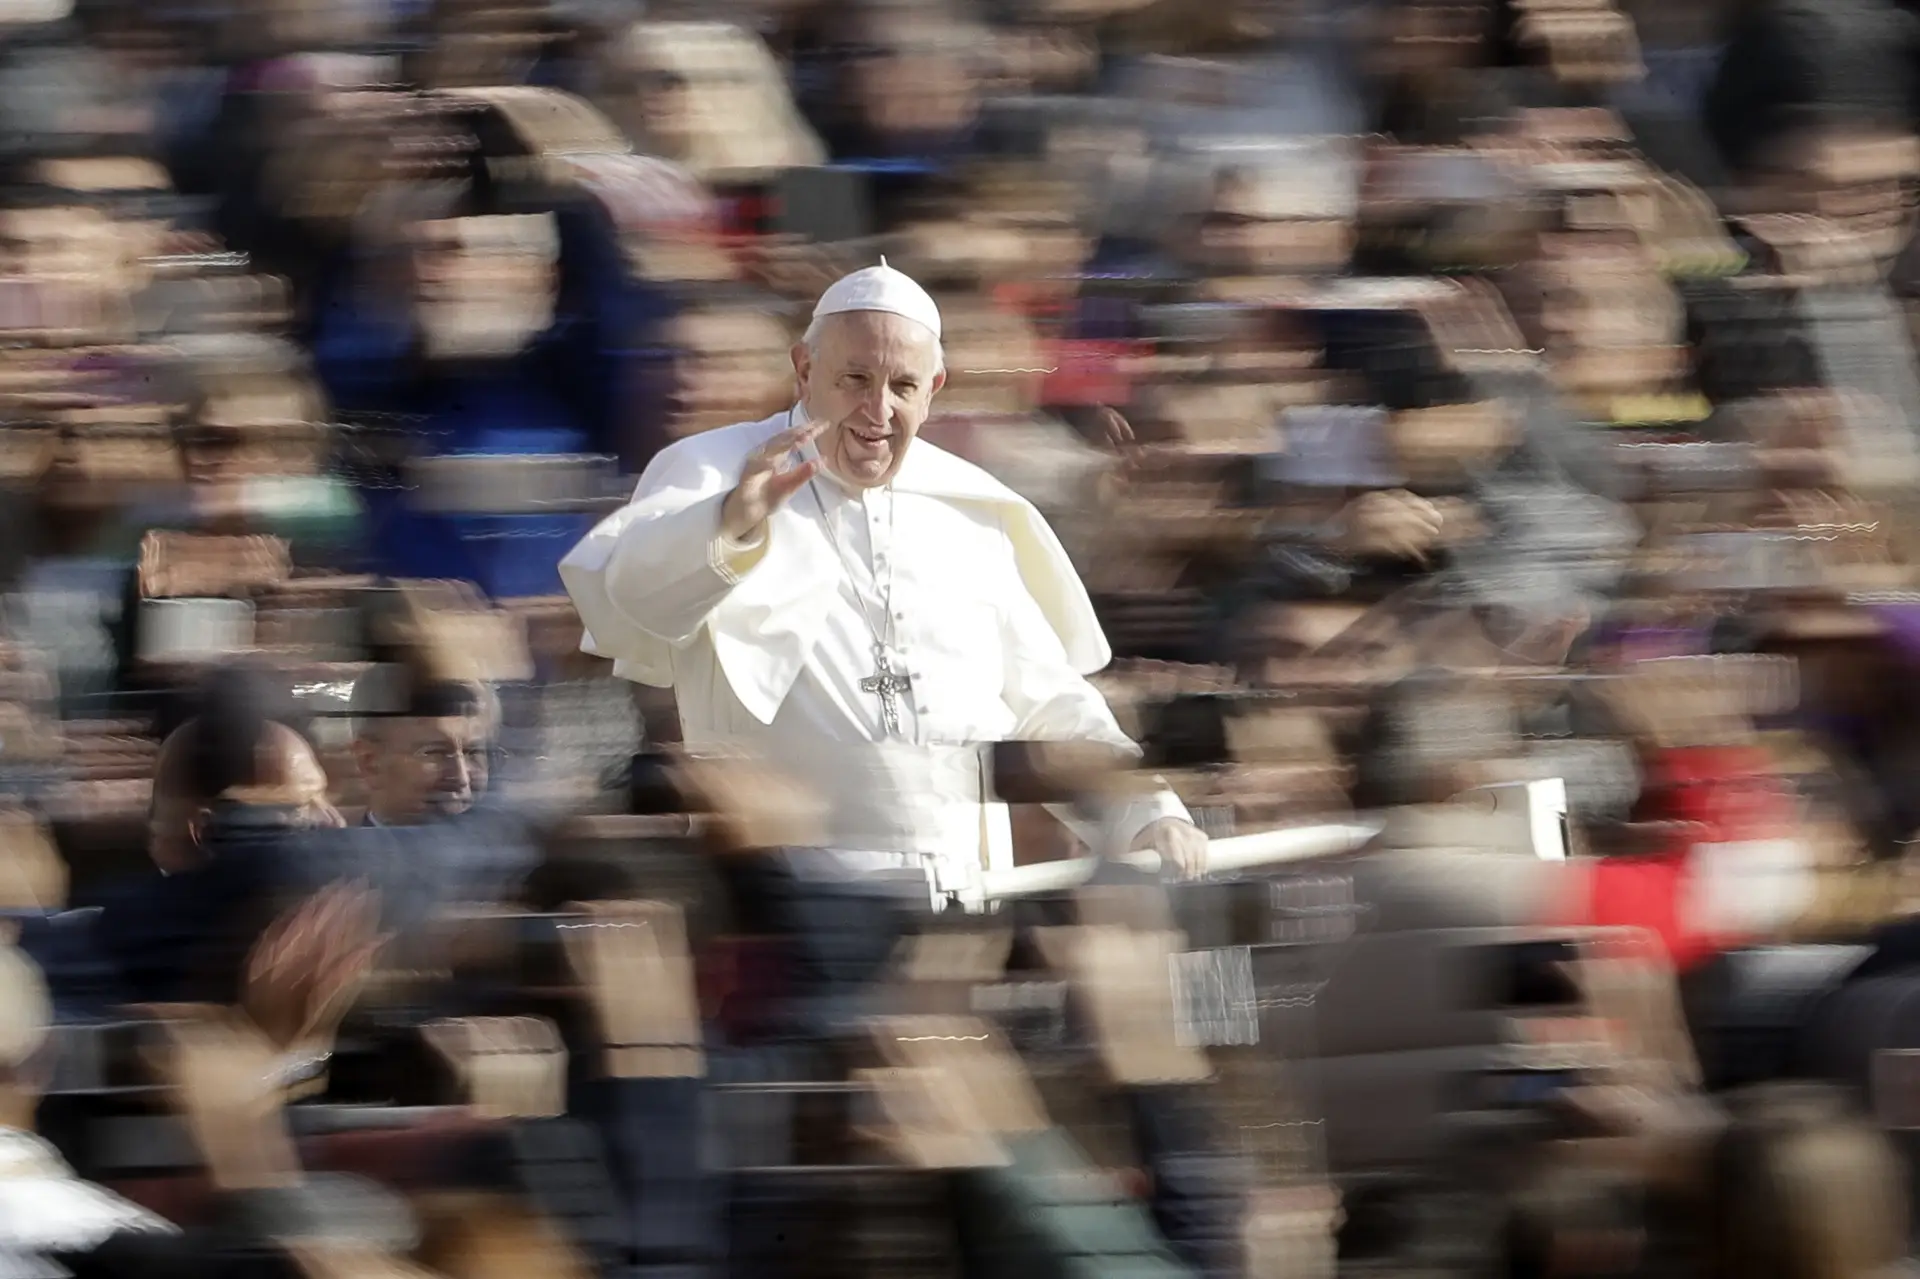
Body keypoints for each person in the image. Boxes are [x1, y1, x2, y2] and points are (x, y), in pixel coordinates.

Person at [561, 259, 1207, 904]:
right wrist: (732, 523)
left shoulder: (972, 509)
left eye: (902, 386)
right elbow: (629, 600)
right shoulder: (714, 468)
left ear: (935, 389)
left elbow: (1049, 701)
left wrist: (1148, 810)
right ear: (805, 369)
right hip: (787, 897)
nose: (878, 409)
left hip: (966, 893)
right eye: (855, 379)